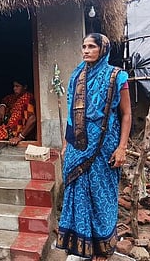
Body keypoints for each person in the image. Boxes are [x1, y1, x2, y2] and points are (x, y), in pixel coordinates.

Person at [56, 33, 131, 261]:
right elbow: (71, 114)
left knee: (102, 195)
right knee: (78, 192)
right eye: (84, 46)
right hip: (78, 146)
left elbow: (126, 114)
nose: (86, 50)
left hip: (104, 146)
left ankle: (102, 248)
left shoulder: (116, 76)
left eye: (91, 46)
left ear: (103, 49)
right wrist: (66, 144)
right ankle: (81, 245)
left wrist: (122, 147)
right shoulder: (76, 76)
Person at [0, 79, 36, 145]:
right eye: (14, 86)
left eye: (17, 86)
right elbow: (5, 100)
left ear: (25, 87)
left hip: (14, 134)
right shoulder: (14, 97)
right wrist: (2, 106)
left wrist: (20, 137)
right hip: (6, 128)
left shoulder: (27, 98)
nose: (14, 88)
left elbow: (32, 119)